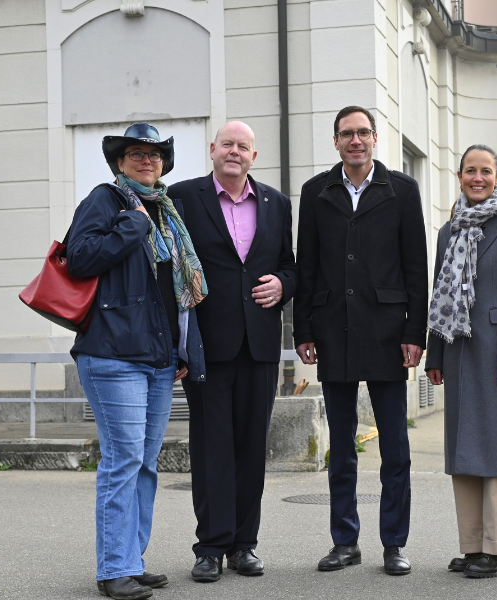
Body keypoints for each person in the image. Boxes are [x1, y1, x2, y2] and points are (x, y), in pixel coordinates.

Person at [68, 123, 207, 600]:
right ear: (120, 163)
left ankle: (132, 559)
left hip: (159, 358)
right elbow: (78, 257)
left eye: (154, 154)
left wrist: (179, 347)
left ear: (163, 163)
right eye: (135, 154)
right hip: (113, 354)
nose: (146, 161)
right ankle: (114, 570)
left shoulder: (168, 213)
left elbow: (172, 293)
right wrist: (131, 226)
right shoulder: (106, 201)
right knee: (123, 461)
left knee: (145, 462)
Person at [294, 106, 428, 576]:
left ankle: (394, 544)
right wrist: (303, 329)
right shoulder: (315, 192)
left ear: (375, 139)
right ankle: (345, 541)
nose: (356, 140)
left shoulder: (402, 190)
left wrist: (416, 332)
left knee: (395, 447)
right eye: (347, 133)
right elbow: (305, 264)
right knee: (342, 448)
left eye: (363, 133)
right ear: (336, 141)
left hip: (389, 334)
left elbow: (416, 266)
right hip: (333, 331)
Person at [167, 121, 296, 582]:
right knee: (211, 449)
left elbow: (290, 266)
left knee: (250, 449)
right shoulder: (181, 197)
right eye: (227, 145)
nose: (235, 152)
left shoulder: (277, 204)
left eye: (243, 146)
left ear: (253, 156)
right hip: (206, 345)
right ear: (212, 150)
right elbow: (170, 267)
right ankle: (210, 547)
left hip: (259, 344)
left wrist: (284, 284)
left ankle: (244, 545)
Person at [424, 144, 497, 578]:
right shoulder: (448, 229)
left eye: (486, 171)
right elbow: (439, 296)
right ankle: (474, 545)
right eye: (470, 171)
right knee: (465, 448)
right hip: (456, 351)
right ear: (459, 177)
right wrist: (434, 353)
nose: (478, 177)